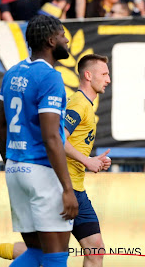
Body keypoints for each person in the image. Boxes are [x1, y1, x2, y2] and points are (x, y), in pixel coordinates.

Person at [0, 14, 78, 267]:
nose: (66, 40)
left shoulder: (12, 73)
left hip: (15, 170)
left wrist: (13, 163)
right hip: (41, 172)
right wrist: (67, 188)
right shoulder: (50, 77)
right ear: (51, 41)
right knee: (56, 256)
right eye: (63, 35)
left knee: (36, 252)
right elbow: (52, 136)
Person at [64, 54, 112, 267]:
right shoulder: (78, 103)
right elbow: (57, 139)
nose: (108, 79)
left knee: (96, 250)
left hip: (77, 189)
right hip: (61, 189)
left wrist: (93, 160)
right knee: (52, 254)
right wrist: (86, 161)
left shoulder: (85, 104)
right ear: (88, 75)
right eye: (104, 74)